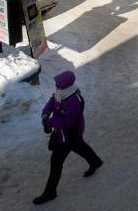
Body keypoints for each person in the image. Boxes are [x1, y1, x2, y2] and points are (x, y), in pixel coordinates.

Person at [34, 70, 104, 205]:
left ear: (65, 85)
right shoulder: (61, 93)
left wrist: (50, 122)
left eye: (58, 84)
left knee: (56, 161)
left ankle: (50, 192)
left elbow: (67, 122)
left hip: (69, 134)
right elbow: (52, 101)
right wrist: (45, 113)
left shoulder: (74, 100)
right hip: (65, 134)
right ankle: (95, 162)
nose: (56, 87)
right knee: (80, 147)